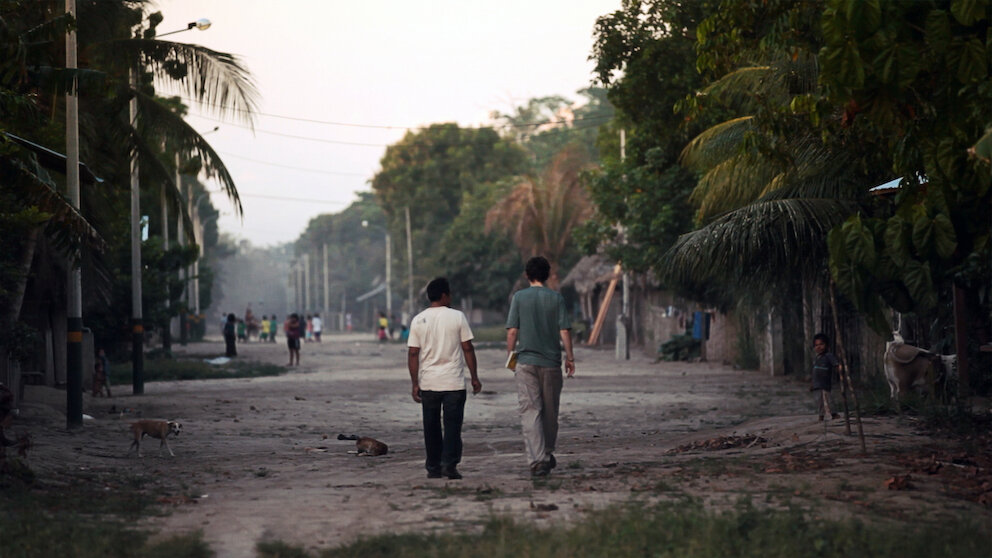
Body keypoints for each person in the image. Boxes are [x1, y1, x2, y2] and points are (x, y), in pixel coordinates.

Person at [506, 256, 575, 477]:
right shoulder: (556, 298)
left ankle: (538, 459)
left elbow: (512, 331)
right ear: (546, 276)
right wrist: (570, 358)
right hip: (551, 363)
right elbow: (564, 331)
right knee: (550, 411)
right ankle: (546, 452)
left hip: (526, 363)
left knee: (530, 410)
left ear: (527, 275)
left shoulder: (519, 297)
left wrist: (510, 356)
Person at [407, 277, 481, 480]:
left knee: (430, 427)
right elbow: (467, 348)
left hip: (429, 382)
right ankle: (449, 464)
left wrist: (415, 383)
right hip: (453, 382)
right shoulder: (457, 317)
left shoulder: (418, 320)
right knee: (452, 427)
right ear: (444, 295)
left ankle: (433, 467)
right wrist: (474, 376)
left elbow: (413, 353)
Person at [811, 333, 841, 421]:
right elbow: (814, 372)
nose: (819, 347)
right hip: (816, 384)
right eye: (816, 345)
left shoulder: (829, 356)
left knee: (828, 399)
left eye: (821, 344)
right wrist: (812, 383)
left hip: (825, 384)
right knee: (819, 401)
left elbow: (836, 365)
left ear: (826, 345)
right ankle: (821, 415)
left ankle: (834, 413)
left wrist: (840, 371)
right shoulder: (817, 358)